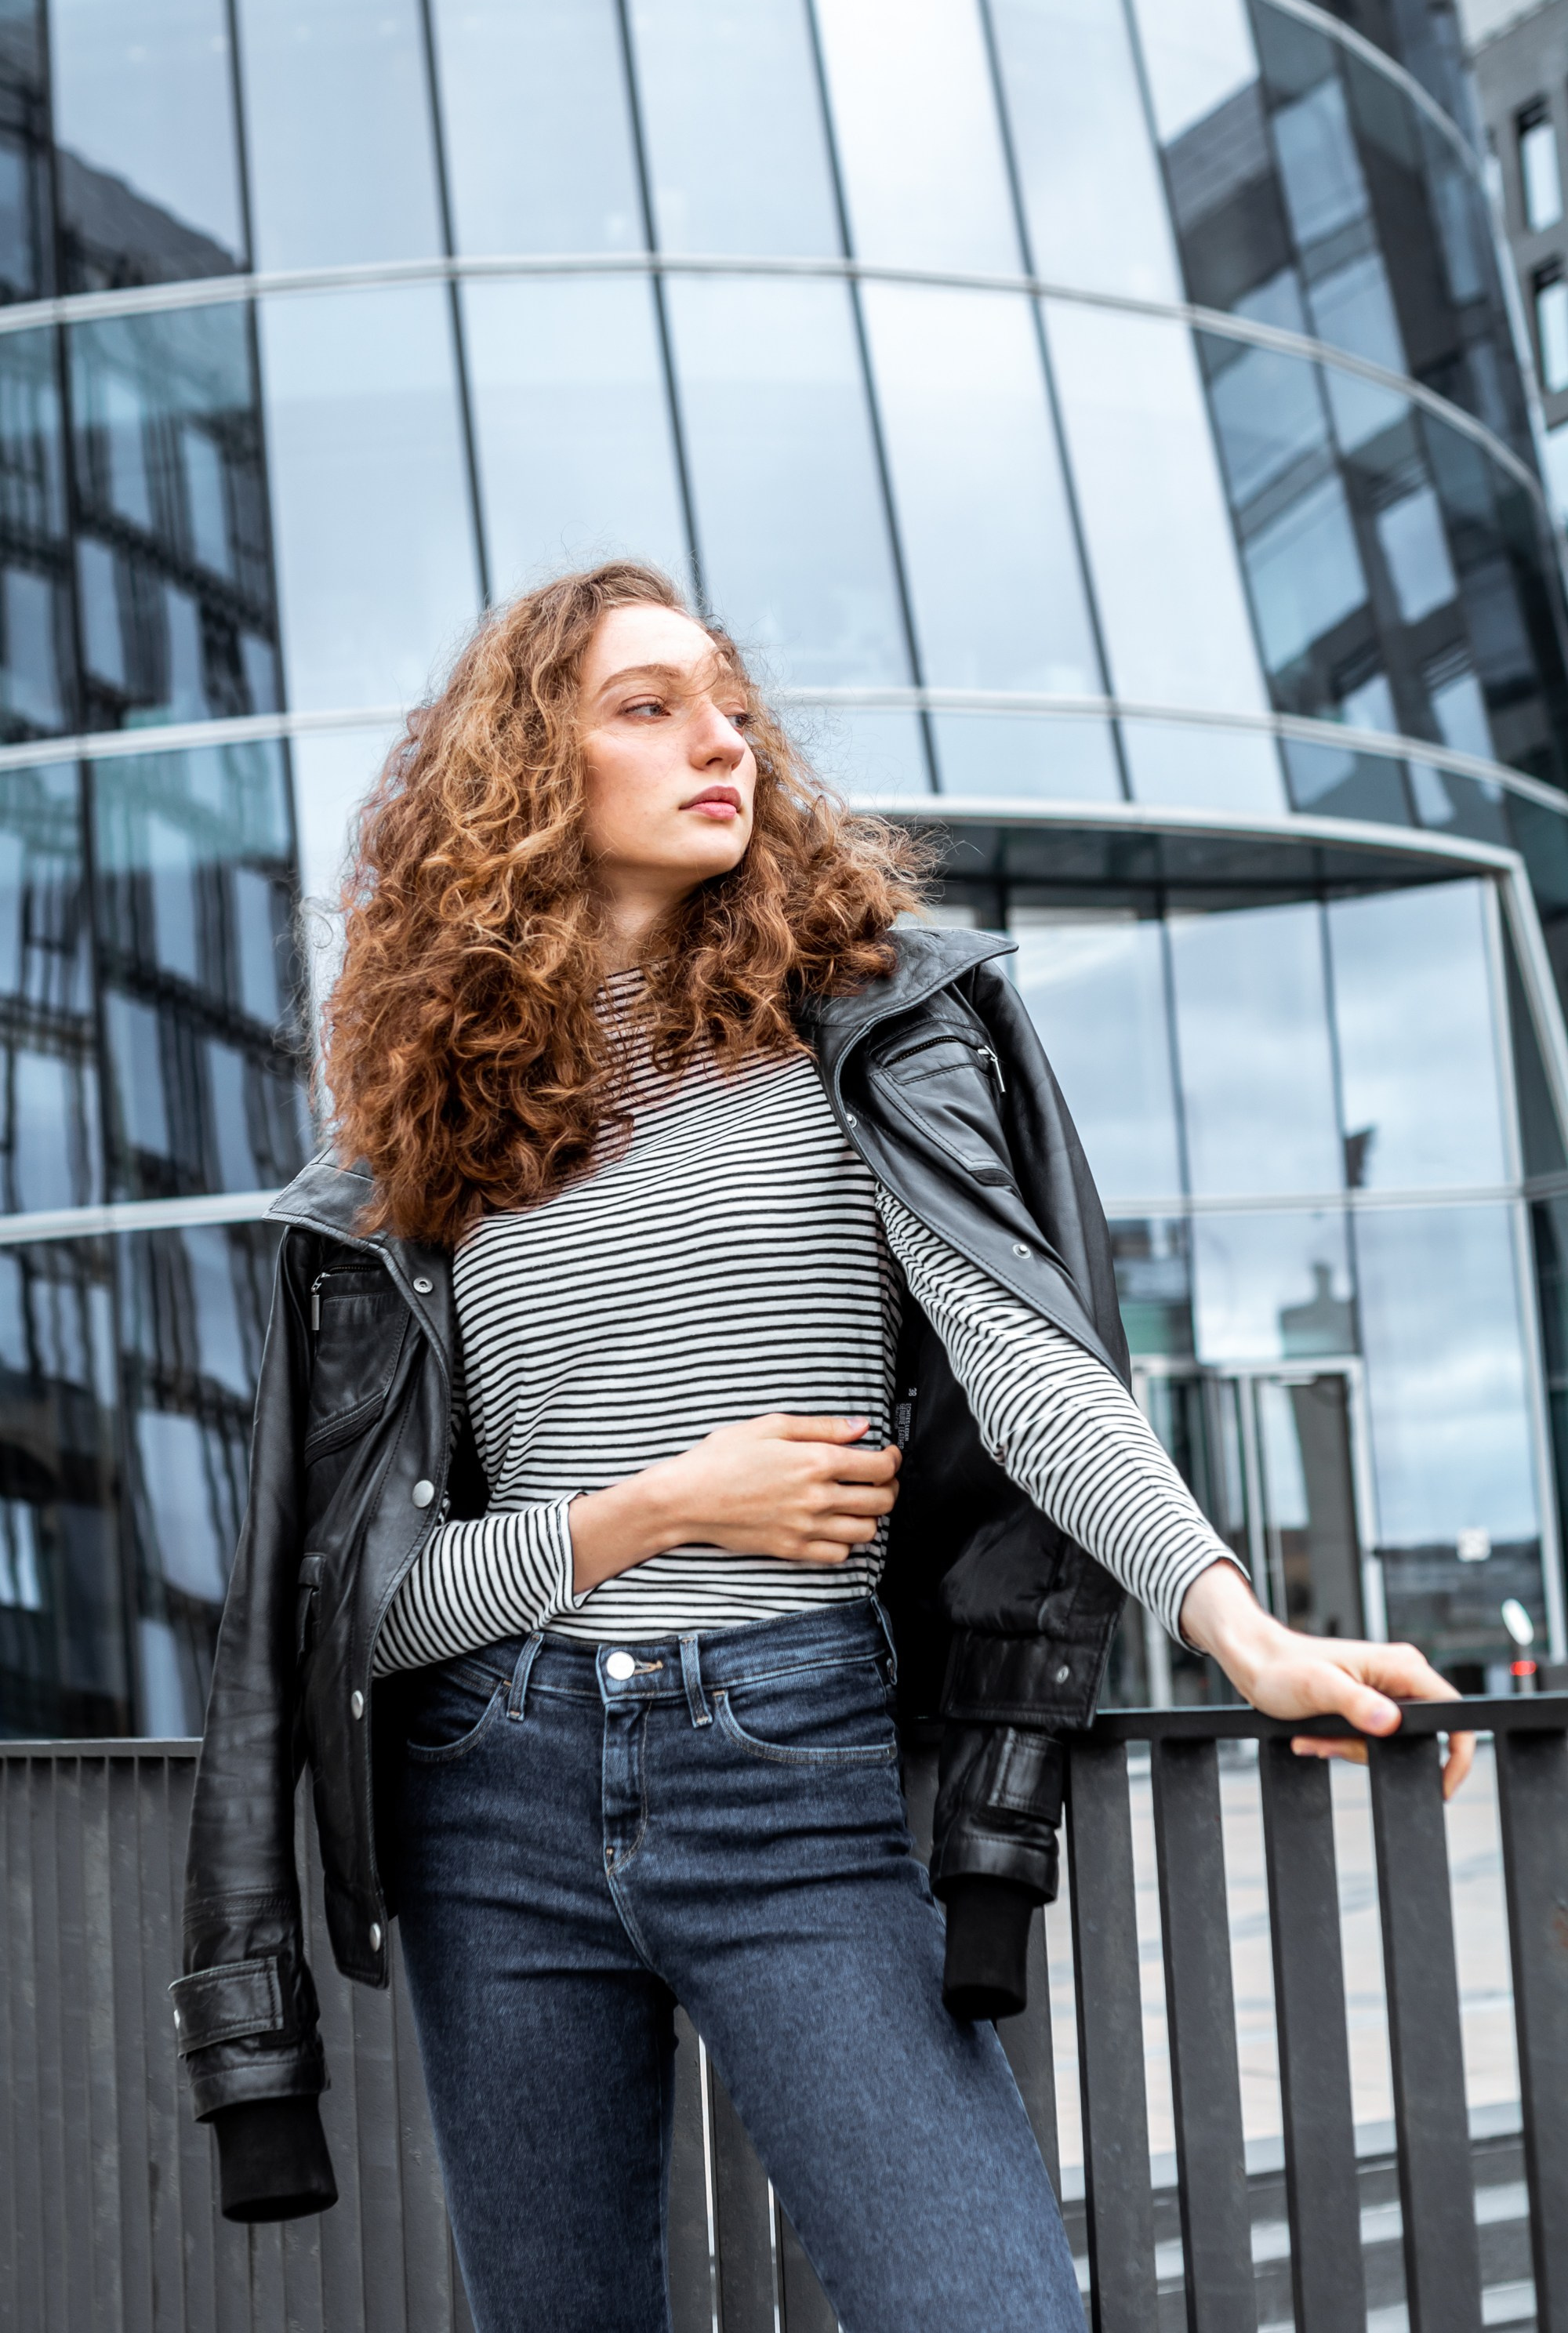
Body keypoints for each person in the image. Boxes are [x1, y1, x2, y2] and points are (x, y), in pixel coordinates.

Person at [173, 561, 1471, 2333]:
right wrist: (652, 1510)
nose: (723, 740)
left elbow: (1028, 1360)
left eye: (729, 703)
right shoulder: (422, 1153)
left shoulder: (854, 1030)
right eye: (649, 707)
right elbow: (367, 1618)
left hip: (787, 1767)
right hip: (495, 1799)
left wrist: (1237, 1621)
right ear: (524, 774)